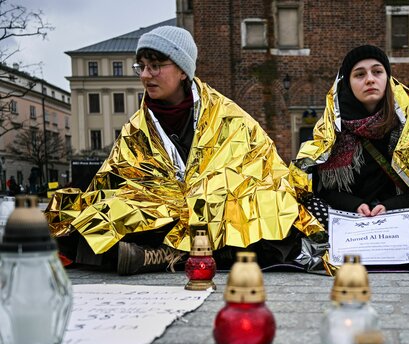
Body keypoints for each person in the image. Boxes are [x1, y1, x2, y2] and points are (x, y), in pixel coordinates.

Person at [46, 26, 322, 275]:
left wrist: (208, 192)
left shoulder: (227, 115)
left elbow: (261, 166)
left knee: (263, 213)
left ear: (182, 70)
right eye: (140, 67)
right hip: (162, 209)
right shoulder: (137, 126)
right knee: (93, 220)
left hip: (216, 205)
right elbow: (115, 178)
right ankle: (169, 254)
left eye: (155, 66)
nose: (145, 75)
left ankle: (163, 256)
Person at [290, 45, 409, 260]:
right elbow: (322, 190)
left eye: (377, 72)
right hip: (348, 218)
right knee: (306, 207)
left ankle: (368, 248)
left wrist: (387, 207)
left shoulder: (408, 126)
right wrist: (355, 206)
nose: (370, 79)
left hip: (397, 216)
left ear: (387, 79)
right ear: (347, 83)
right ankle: (387, 249)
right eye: (360, 74)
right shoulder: (333, 128)